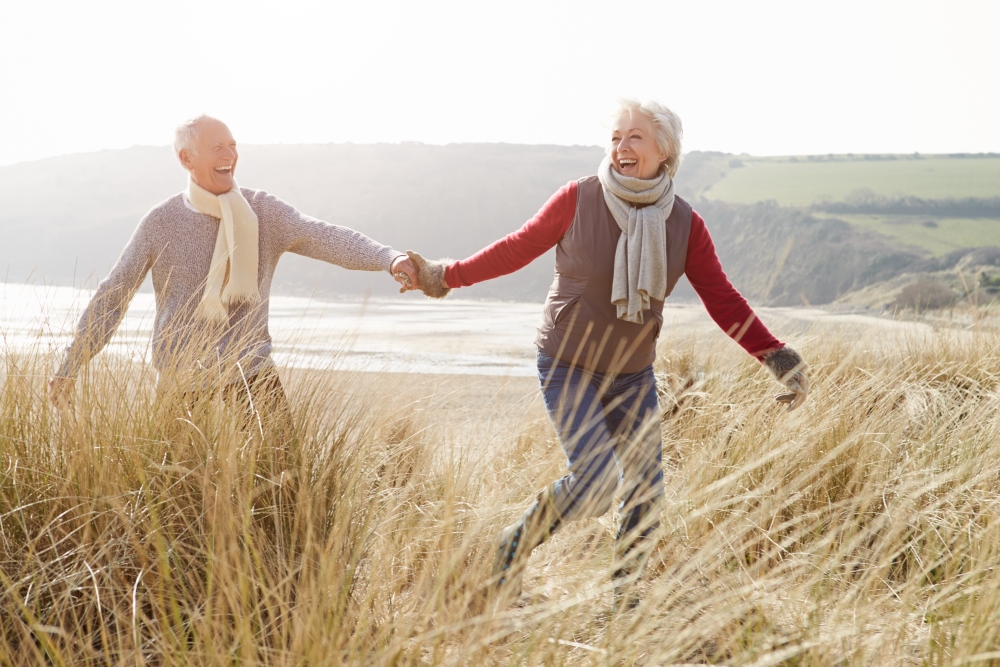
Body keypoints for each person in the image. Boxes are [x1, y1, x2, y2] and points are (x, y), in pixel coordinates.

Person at [404, 99, 810, 607]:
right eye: (616, 137)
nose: (621, 147)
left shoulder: (685, 224)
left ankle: (624, 599)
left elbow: (723, 301)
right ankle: (512, 548)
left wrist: (778, 357)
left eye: (635, 137)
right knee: (597, 482)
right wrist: (446, 275)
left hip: (630, 375)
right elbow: (517, 247)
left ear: (665, 151)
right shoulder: (578, 199)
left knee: (646, 489)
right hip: (566, 364)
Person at [49, 115, 418, 425]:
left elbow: (323, 236)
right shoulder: (161, 222)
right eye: (217, 148)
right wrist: (71, 364)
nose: (230, 155)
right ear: (186, 158)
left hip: (253, 378)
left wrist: (389, 258)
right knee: (178, 499)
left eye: (233, 145)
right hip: (181, 384)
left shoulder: (263, 212)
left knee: (283, 488)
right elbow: (114, 294)